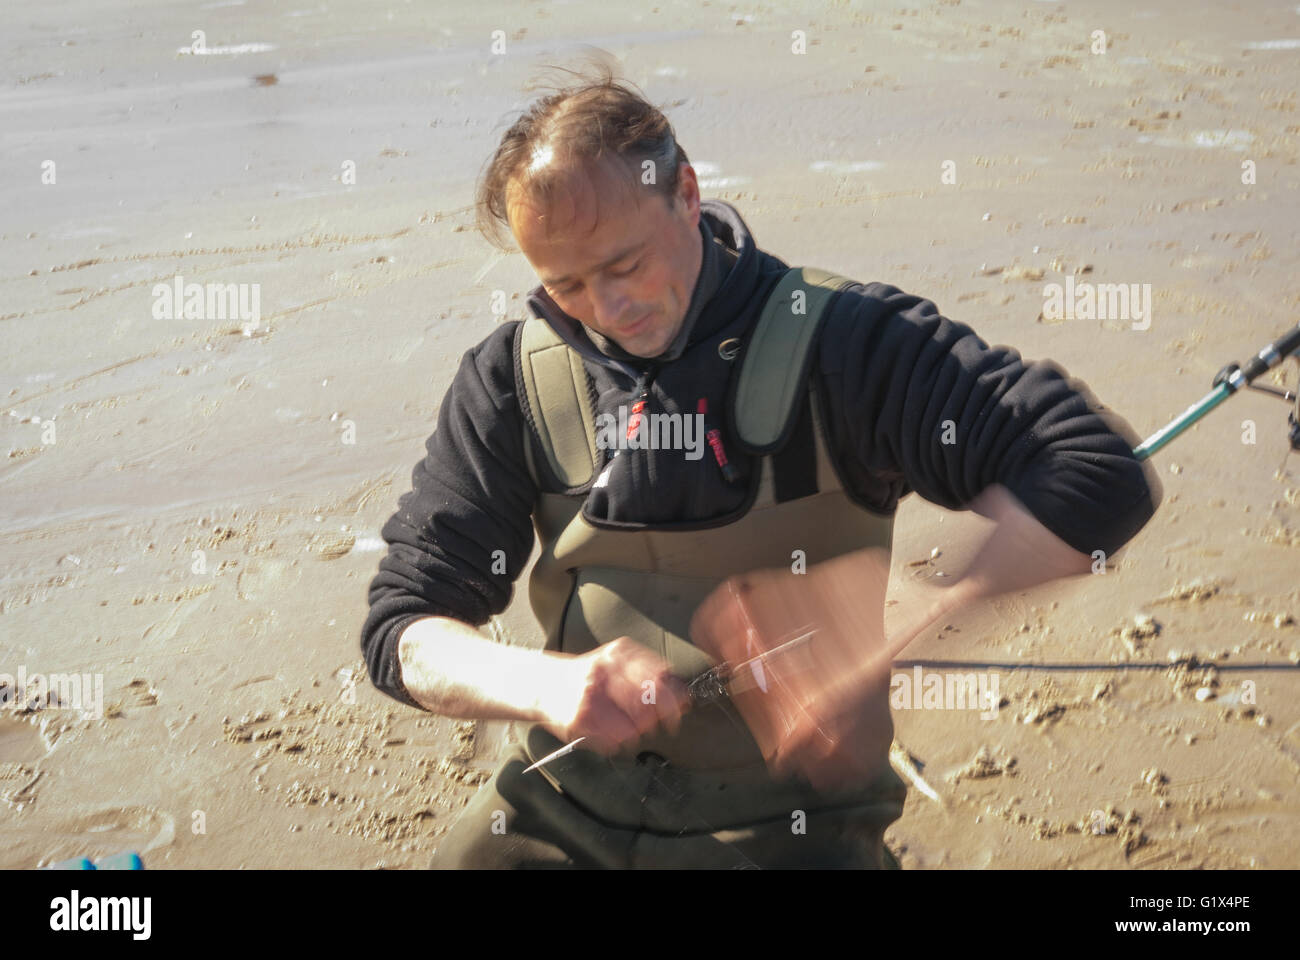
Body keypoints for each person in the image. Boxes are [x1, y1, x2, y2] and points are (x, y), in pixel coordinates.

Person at [359, 65, 1162, 868]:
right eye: (564, 283)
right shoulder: (511, 376)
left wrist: (915, 613)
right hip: (558, 808)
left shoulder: (847, 342)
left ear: (686, 194)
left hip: (789, 826)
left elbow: (1097, 469)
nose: (608, 309)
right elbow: (403, 629)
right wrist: (546, 687)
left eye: (626, 264)